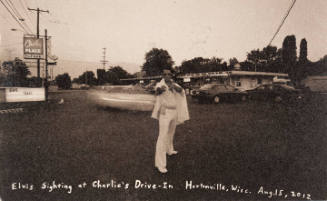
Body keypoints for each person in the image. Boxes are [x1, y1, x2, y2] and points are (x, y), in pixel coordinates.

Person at [151, 69, 189, 173]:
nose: (167, 76)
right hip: (165, 112)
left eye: (169, 74)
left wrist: (175, 88)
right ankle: (160, 164)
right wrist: (160, 90)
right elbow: (156, 92)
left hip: (174, 112)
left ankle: (169, 150)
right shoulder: (160, 84)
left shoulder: (174, 84)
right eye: (165, 74)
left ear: (171, 75)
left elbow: (182, 92)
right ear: (162, 75)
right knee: (162, 136)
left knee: (171, 133)